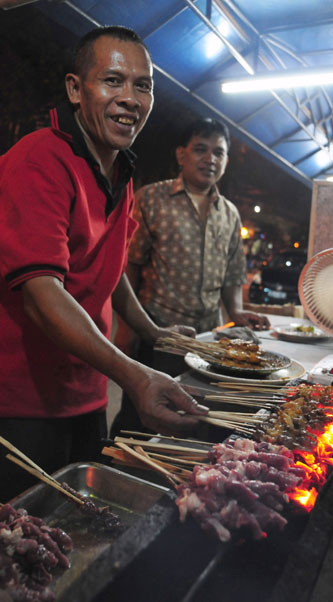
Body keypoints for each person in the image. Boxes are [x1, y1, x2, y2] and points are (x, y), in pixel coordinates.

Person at [0, 26, 207, 501]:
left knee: (79, 528)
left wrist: (154, 333)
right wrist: (133, 374)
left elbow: (110, 271)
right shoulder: (40, 160)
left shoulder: (121, 169)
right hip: (22, 404)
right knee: (23, 544)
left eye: (143, 85)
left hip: (87, 394)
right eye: (113, 81)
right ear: (76, 89)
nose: (130, 98)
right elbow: (41, 293)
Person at [111, 117, 270, 436]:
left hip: (207, 341)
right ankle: (118, 472)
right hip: (159, 335)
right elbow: (128, 266)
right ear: (181, 154)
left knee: (193, 418)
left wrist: (236, 312)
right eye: (200, 149)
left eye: (218, 152)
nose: (210, 159)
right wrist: (128, 329)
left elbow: (232, 275)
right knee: (139, 418)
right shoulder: (151, 198)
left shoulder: (229, 213)